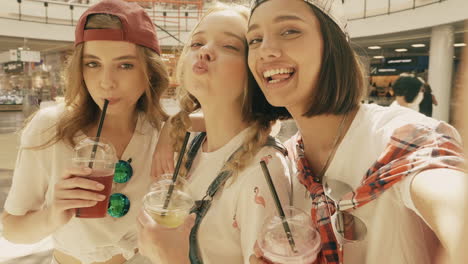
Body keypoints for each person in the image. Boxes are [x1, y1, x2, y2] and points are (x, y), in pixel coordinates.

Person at [247, 0, 465, 263]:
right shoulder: (286, 162)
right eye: (255, 39)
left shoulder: (402, 137)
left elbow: (452, 200)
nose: (265, 50)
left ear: (332, 46)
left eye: (289, 31)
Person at [1, 0, 169, 263]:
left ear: (149, 70)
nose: (106, 82)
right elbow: (12, 228)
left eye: (125, 65)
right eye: (93, 64)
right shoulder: (50, 128)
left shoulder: (159, 133)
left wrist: (171, 130)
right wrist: (52, 214)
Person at [137, 3, 293, 264]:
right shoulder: (193, 144)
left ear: (254, 71)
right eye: (197, 43)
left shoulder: (263, 172)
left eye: (229, 46)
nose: (205, 51)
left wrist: (172, 259)